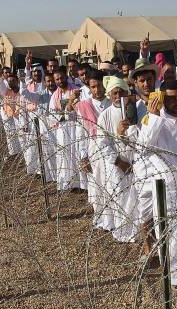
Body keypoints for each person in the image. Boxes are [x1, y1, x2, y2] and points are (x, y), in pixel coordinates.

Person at [138, 79, 177, 284]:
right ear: (161, 99)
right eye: (171, 99)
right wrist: (153, 116)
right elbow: (144, 146)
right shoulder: (153, 121)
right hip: (166, 187)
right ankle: (174, 277)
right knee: (169, 232)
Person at [96, 76, 139, 242]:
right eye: (115, 92)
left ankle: (138, 232)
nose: (118, 95)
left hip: (135, 161)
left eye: (121, 91)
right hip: (117, 165)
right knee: (121, 199)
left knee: (137, 199)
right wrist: (119, 162)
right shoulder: (105, 116)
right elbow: (103, 143)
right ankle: (124, 233)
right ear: (109, 95)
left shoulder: (135, 109)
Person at [75, 70, 114, 230]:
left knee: (112, 184)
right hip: (94, 150)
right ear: (89, 88)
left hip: (111, 148)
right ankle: (102, 220)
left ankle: (115, 220)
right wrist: (83, 156)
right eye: (93, 87)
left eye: (99, 86)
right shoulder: (84, 106)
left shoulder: (113, 102)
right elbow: (81, 132)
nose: (97, 90)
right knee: (97, 186)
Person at [129, 58, 159, 260]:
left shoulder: (164, 103)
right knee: (145, 211)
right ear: (136, 84)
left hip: (163, 163)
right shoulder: (134, 107)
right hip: (142, 165)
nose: (146, 84)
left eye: (149, 80)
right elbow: (132, 138)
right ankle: (149, 249)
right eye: (142, 81)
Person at [48, 66, 84, 191]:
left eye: (62, 77)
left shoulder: (76, 91)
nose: (59, 81)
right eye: (57, 79)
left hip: (75, 126)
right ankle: (66, 184)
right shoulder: (55, 95)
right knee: (64, 156)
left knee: (77, 153)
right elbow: (52, 114)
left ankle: (79, 184)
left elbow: (80, 110)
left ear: (66, 77)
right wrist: (65, 112)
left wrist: (65, 112)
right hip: (62, 129)